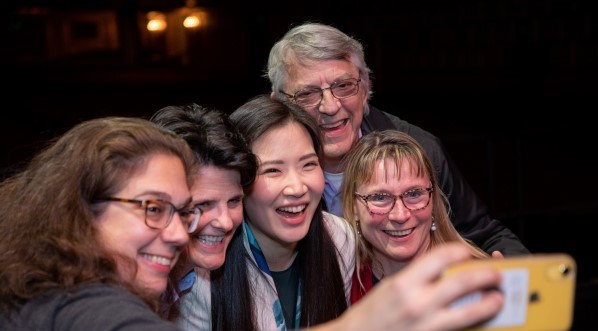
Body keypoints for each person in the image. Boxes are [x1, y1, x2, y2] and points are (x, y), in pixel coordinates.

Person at [266, 22, 529, 256]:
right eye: (308, 94)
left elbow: (483, 234)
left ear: (366, 85)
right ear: (279, 104)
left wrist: (523, 286)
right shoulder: (263, 167)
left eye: (344, 86)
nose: (330, 106)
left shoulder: (417, 149)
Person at [0, 117, 200, 330]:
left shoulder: (32, 292)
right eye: (154, 209)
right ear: (81, 212)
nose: (180, 235)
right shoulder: (91, 310)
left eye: (184, 213)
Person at [176, 95, 356, 330]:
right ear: (238, 180)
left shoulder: (338, 238)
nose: (297, 188)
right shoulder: (201, 271)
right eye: (273, 170)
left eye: (308, 164)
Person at [340, 130, 490, 302]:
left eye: (413, 194)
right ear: (353, 207)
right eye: (380, 197)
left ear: (433, 199)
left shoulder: (475, 280)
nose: (400, 215)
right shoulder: (338, 286)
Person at [149, 103, 258, 320]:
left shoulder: (186, 282)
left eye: (234, 201)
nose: (226, 222)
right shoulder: (124, 289)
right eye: (204, 205)